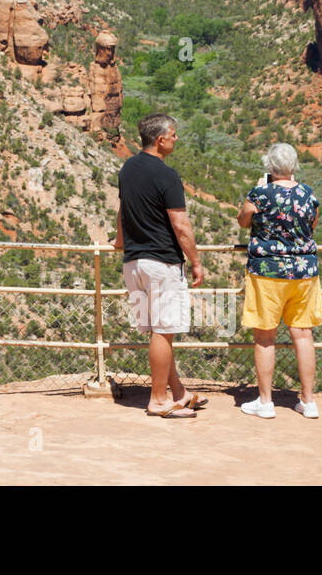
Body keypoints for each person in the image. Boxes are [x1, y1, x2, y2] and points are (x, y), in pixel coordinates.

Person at [115, 112, 207, 418]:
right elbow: (181, 226)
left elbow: (122, 210)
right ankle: (158, 400)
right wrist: (195, 262)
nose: (177, 139)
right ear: (160, 139)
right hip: (162, 263)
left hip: (134, 264)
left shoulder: (127, 168)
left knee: (157, 330)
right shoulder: (167, 175)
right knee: (164, 332)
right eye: (174, 134)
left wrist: (119, 241)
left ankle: (179, 393)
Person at [237, 142, 322, 419]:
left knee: (264, 336)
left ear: (269, 168)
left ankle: (265, 401)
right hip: (304, 272)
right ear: (294, 167)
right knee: (303, 333)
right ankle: (308, 401)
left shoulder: (260, 192)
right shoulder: (307, 193)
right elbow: (312, 224)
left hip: (268, 272)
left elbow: (243, 221)